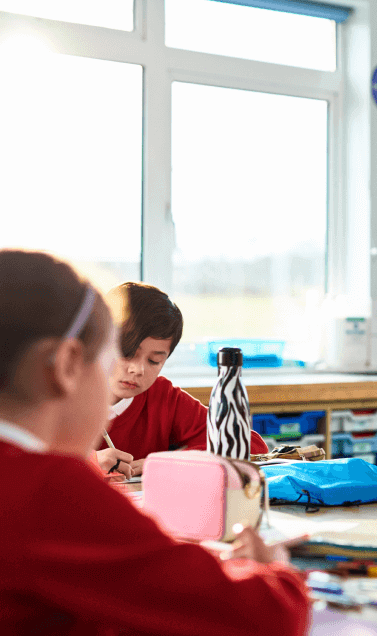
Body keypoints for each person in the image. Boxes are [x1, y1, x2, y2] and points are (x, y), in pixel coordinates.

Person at [0, 249, 309, 635]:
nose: (133, 370)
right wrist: (273, 567)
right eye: (113, 356)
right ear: (66, 366)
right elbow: (265, 617)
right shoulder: (48, 490)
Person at [94, 282, 267, 478]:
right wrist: (89, 462)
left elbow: (251, 445)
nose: (138, 369)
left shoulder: (164, 397)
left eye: (154, 361)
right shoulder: (61, 394)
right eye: (127, 353)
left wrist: (164, 462)